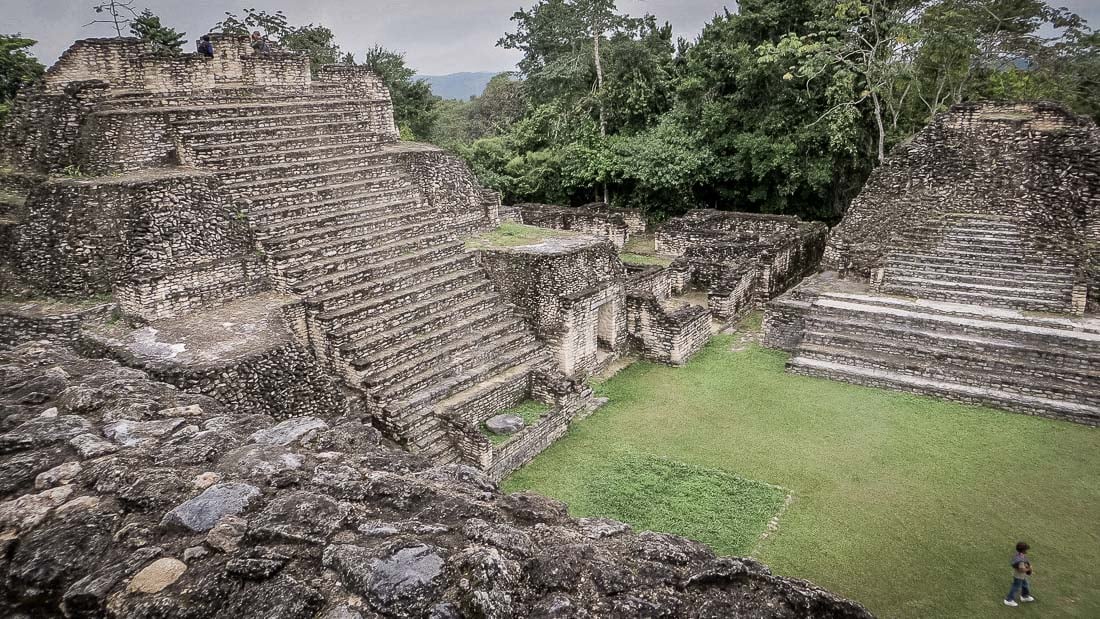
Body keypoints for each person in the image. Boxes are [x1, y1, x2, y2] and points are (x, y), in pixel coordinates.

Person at [1004, 541, 1035, 607]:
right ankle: (1009, 600)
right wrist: (1029, 569)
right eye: (1026, 549)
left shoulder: (1019, 555)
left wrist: (1027, 566)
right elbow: (1022, 570)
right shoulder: (1020, 560)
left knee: (1025, 585)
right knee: (1015, 587)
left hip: (1022, 576)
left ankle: (1025, 596)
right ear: (1023, 550)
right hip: (1019, 576)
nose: (1027, 551)